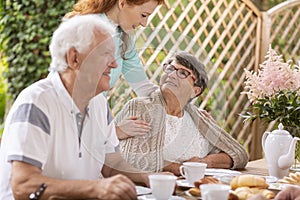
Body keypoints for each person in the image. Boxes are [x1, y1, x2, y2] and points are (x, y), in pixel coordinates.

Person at [0, 14, 159, 200]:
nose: (114, 64)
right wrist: (96, 188)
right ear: (74, 58)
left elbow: (111, 162)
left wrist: (147, 176)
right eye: (105, 54)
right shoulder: (36, 102)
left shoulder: (99, 103)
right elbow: (23, 185)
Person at [114, 51, 249, 174]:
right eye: (170, 68)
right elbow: (133, 158)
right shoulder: (140, 107)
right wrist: (179, 168)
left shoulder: (199, 118)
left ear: (195, 91)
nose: (172, 74)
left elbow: (238, 154)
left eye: (183, 73)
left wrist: (205, 162)